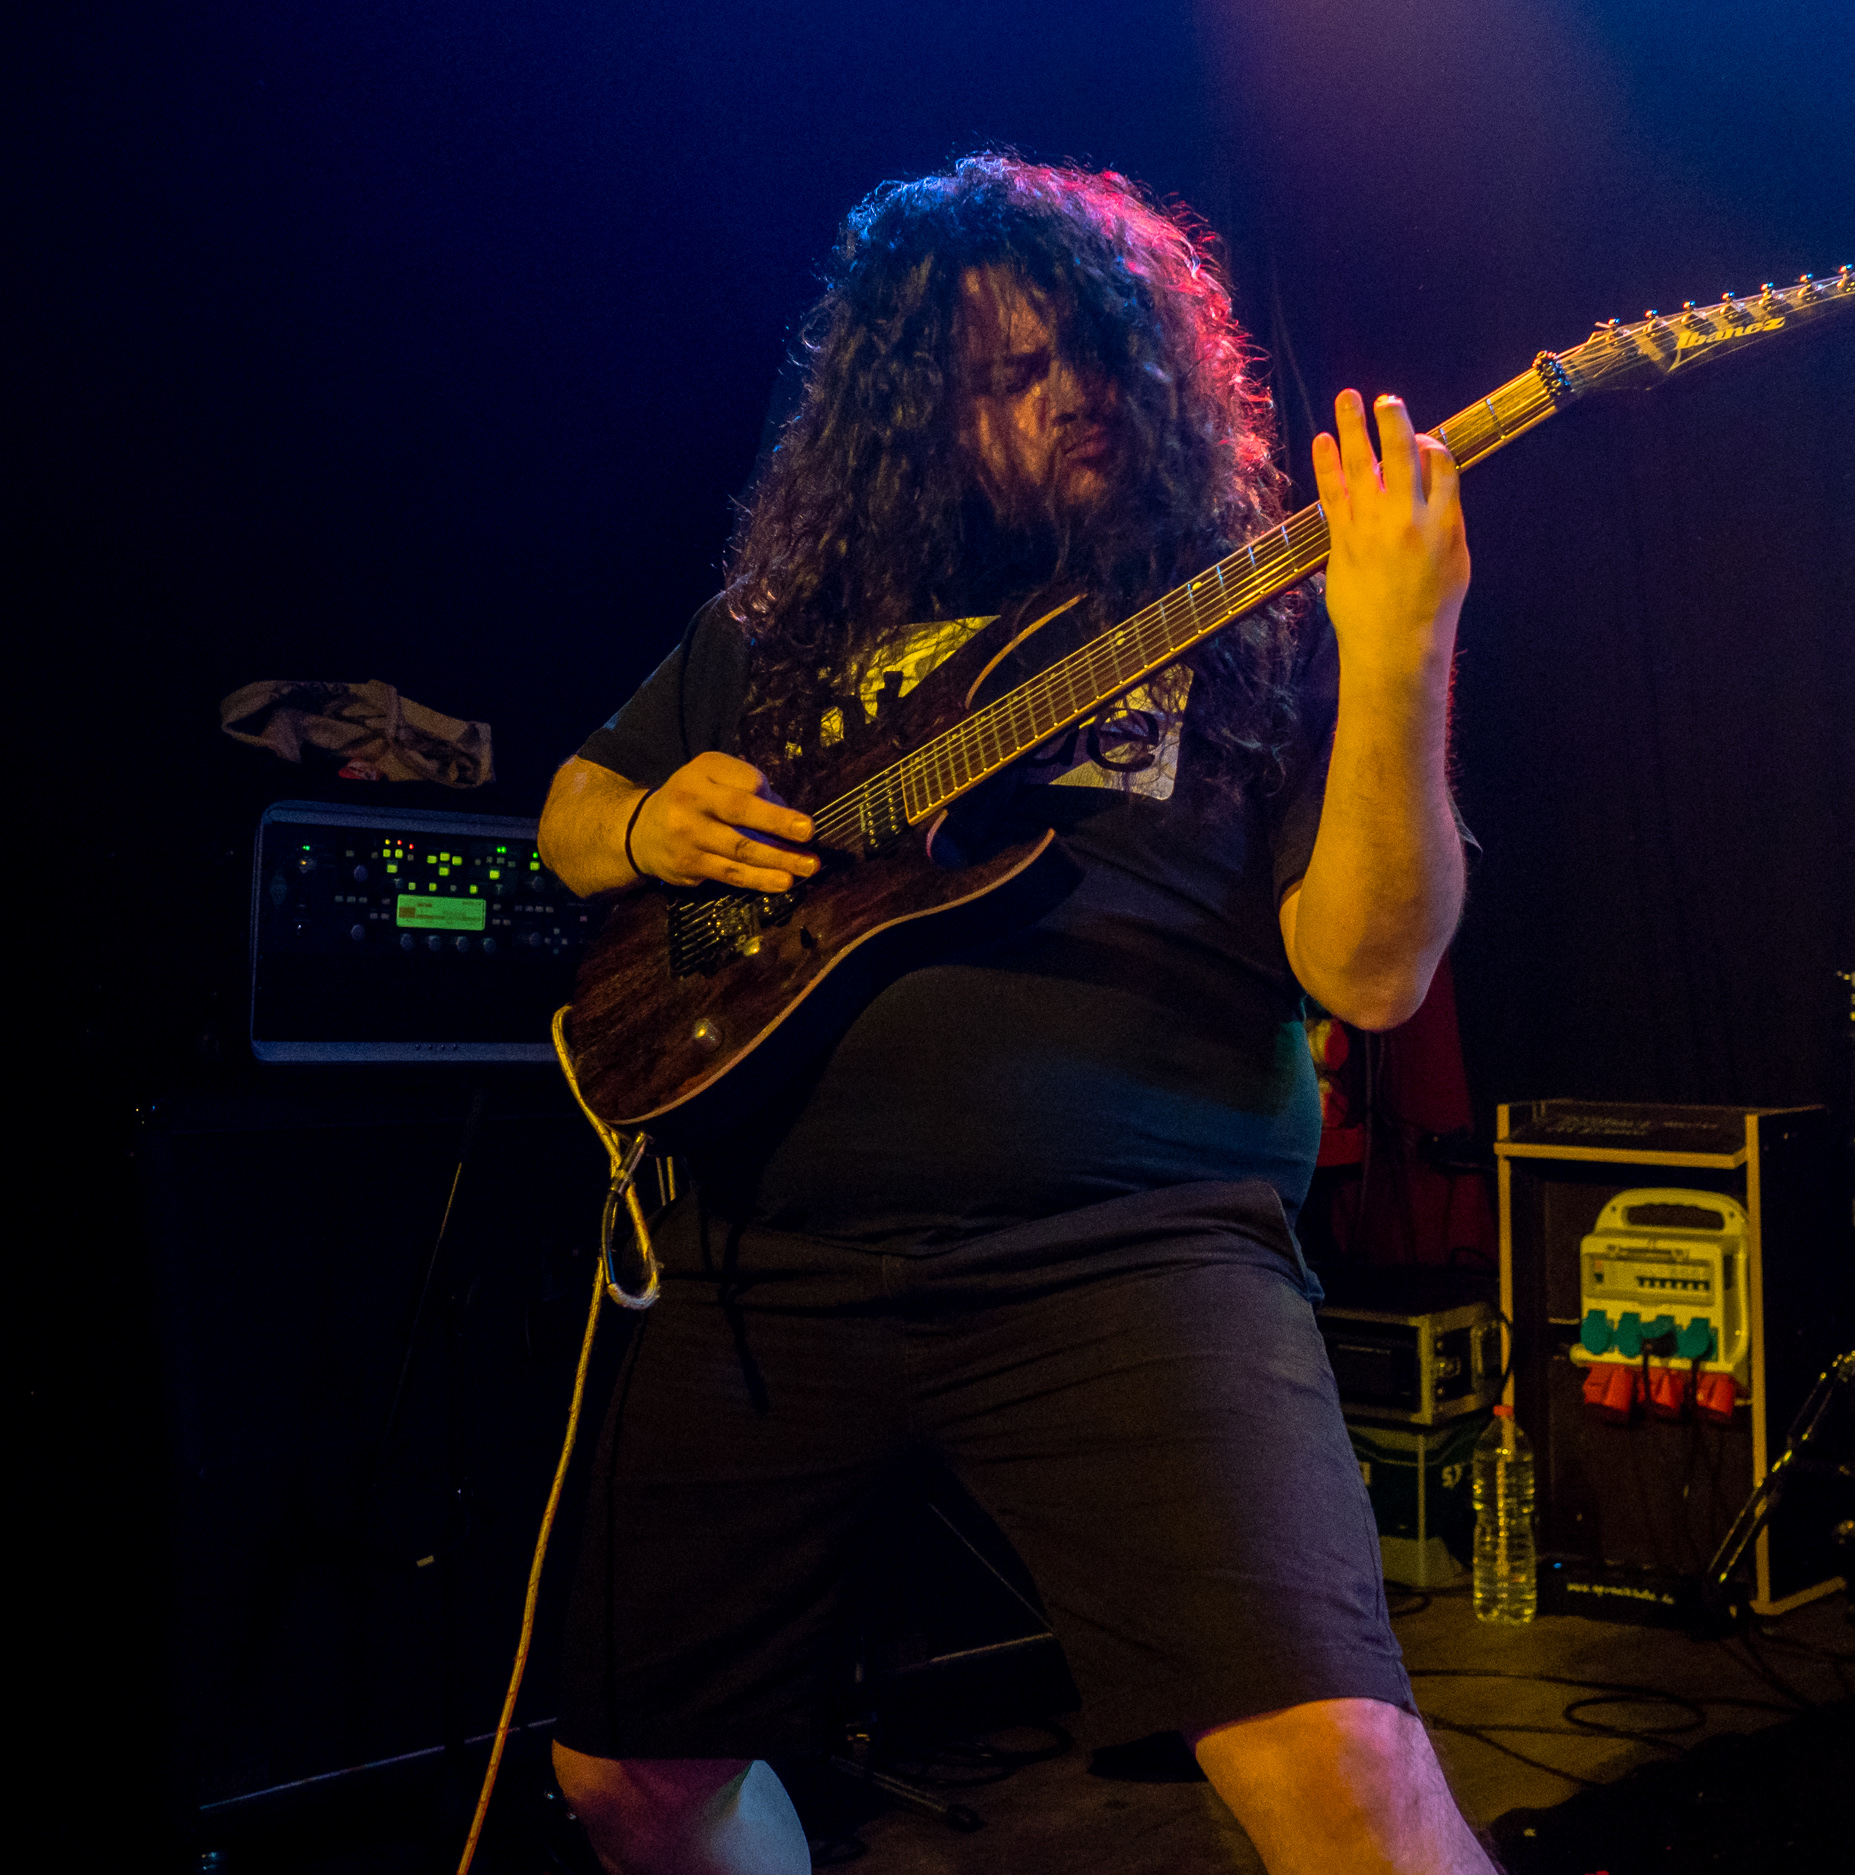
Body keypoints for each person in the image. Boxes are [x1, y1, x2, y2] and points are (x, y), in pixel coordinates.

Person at [537, 155, 1482, 1875]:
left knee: (1343, 1780)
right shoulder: (786, 630)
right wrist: (647, 825)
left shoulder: (1254, 615)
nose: (1073, 399)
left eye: (1095, 355)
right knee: (627, 1777)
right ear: (915, 413)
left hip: (1130, 1257)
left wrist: (1403, 651)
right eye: (1009, 375)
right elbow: (572, 809)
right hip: (774, 1262)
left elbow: (1368, 975)